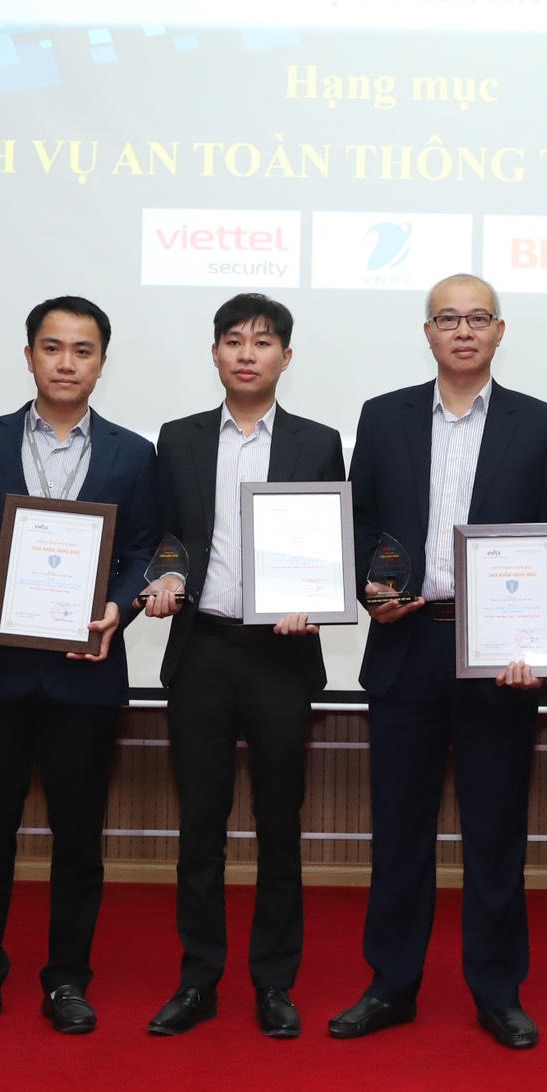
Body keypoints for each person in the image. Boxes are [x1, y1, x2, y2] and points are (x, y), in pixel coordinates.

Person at [330, 275, 547, 1051]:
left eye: (477, 318)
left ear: (499, 331)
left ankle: (498, 991)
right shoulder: (384, 416)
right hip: (407, 642)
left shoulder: (542, 424)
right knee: (399, 830)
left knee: (495, 831)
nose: (462, 331)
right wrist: (370, 585)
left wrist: (537, 646)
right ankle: (390, 985)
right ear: (428, 332)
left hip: (497, 655)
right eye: (448, 318)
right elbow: (359, 521)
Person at [0, 296, 158, 1038]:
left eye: (82, 350)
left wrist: (118, 608)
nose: (66, 363)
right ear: (29, 356)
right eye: (52, 348)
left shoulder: (133, 453)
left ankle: (67, 980)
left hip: (83, 673)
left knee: (78, 838)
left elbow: (141, 552)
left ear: (102, 362)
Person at [138, 294, 346, 1039]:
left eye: (262, 342)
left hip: (280, 656)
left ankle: (274, 981)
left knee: (278, 823)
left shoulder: (319, 442)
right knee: (200, 823)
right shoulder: (180, 438)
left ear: (285, 357)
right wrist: (164, 576)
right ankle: (198, 979)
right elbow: (165, 535)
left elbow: (331, 542)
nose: (247, 353)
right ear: (215, 353)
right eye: (233, 340)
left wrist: (312, 602)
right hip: (202, 649)